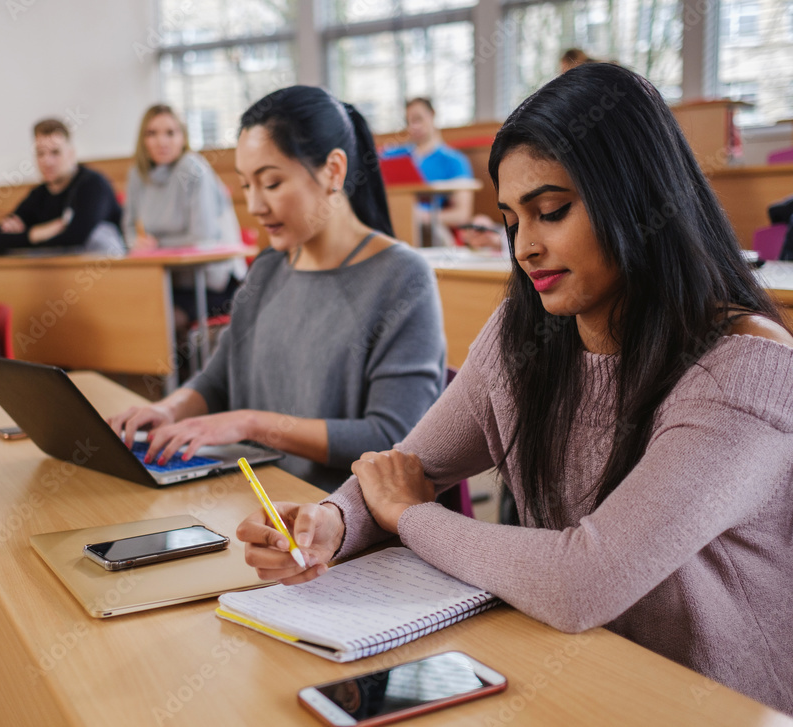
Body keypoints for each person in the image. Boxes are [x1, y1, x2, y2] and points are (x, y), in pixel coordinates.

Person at [237, 64, 793, 715]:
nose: (525, 247)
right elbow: (407, 467)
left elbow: (585, 578)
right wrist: (329, 521)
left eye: (550, 212)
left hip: (712, 705)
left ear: (637, 199)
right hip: (572, 678)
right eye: (510, 220)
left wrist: (410, 517)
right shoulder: (525, 332)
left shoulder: (744, 366)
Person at [109, 86, 446, 493]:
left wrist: (253, 423)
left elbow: (391, 439)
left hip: (336, 525)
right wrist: (166, 410)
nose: (254, 206)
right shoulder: (268, 267)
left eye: (270, 183)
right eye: (246, 186)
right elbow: (216, 380)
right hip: (251, 502)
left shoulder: (402, 278)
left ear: (334, 171)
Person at [122, 104, 246, 329]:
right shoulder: (137, 175)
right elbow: (129, 226)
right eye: (152, 133)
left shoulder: (193, 169)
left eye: (170, 133)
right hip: (166, 278)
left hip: (211, 282)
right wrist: (135, 242)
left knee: (159, 320)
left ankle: (170, 365)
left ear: (183, 137)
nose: (162, 141)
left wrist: (155, 247)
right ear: (143, 139)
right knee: (128, 309)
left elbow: (202, 238)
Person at [0, 118, 124, 256]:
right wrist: (38, 232)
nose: (47, 161)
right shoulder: (38, 195)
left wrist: (24, 239)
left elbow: (76, 238)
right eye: (40, 153)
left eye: (55, 152)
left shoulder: (93, 185)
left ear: (71, 154)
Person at [382, 97, 502, 250]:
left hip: (428, 232)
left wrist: (422, 217)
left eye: (418, 119)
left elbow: (462, 214)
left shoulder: (453, 160)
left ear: (432, 115)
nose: (413, 126)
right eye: (408, 121)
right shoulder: (393, 157)